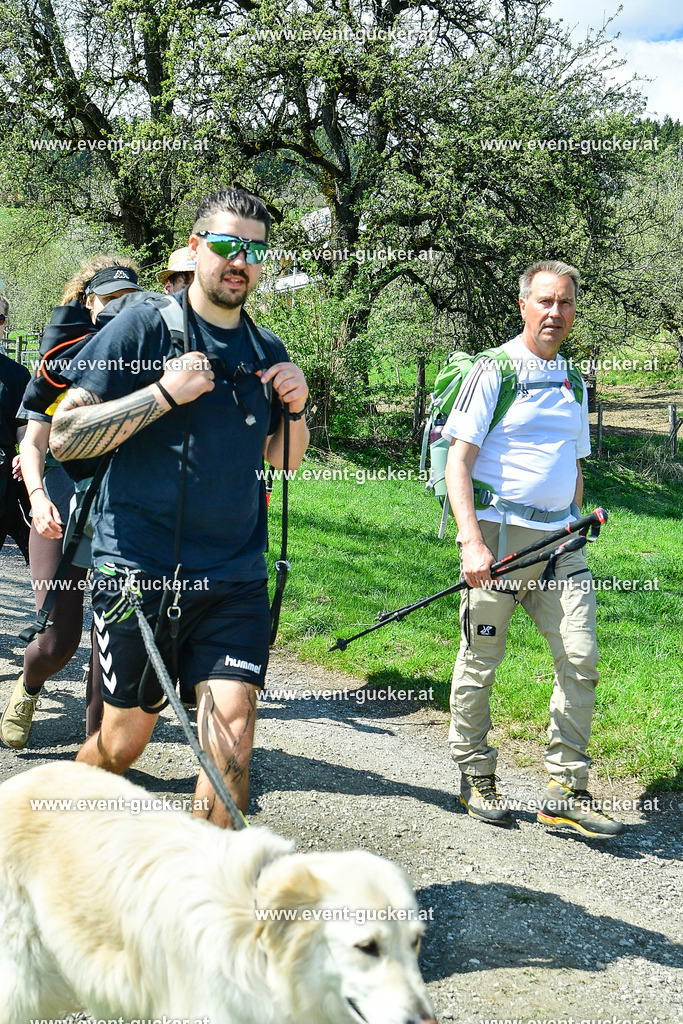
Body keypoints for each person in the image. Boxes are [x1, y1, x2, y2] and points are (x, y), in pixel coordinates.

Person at [50, 187, 310, 828]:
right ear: (196, 250)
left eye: (254, 249)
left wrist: (298, 410)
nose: (239, 261)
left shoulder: (265, 348)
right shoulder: (142, 328)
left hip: (233, 580)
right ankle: (50, 827)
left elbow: (282, 458)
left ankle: (199, 911)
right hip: (137, 576)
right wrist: (163, 395)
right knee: (121, 746)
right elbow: (64, 436)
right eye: (225, 245)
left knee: (231, 750)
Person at [442, 259, 625, 839]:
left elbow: (572, 462)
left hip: (559, 544)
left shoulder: (572, 381)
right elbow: (458, 460)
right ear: (523, 305)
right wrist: (471, 541)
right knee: (481, 657)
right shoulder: (495, 371)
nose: (555, 312)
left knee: (581, 656)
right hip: (497, 540)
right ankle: (475, 772)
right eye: (544, 301)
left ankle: (565, 787)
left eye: (565, 302)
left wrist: (574, 517)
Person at [0, 258, 141, 749]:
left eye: (130, 297)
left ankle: (97, 754)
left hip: (124, 507)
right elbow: (32, 441)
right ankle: (29, 685)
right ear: (88, 301)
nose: (120, 307)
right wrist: (37, 498)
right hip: (60, 500)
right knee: (58, 642)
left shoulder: (148, 357)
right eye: (109, 298)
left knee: (113, 635)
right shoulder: (62, 356)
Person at [0, 294, 30, 563]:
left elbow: (23, 427)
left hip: (6, 475)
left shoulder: (17, 374)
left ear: (4, 324)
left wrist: (26, 456)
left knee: (37, 550)